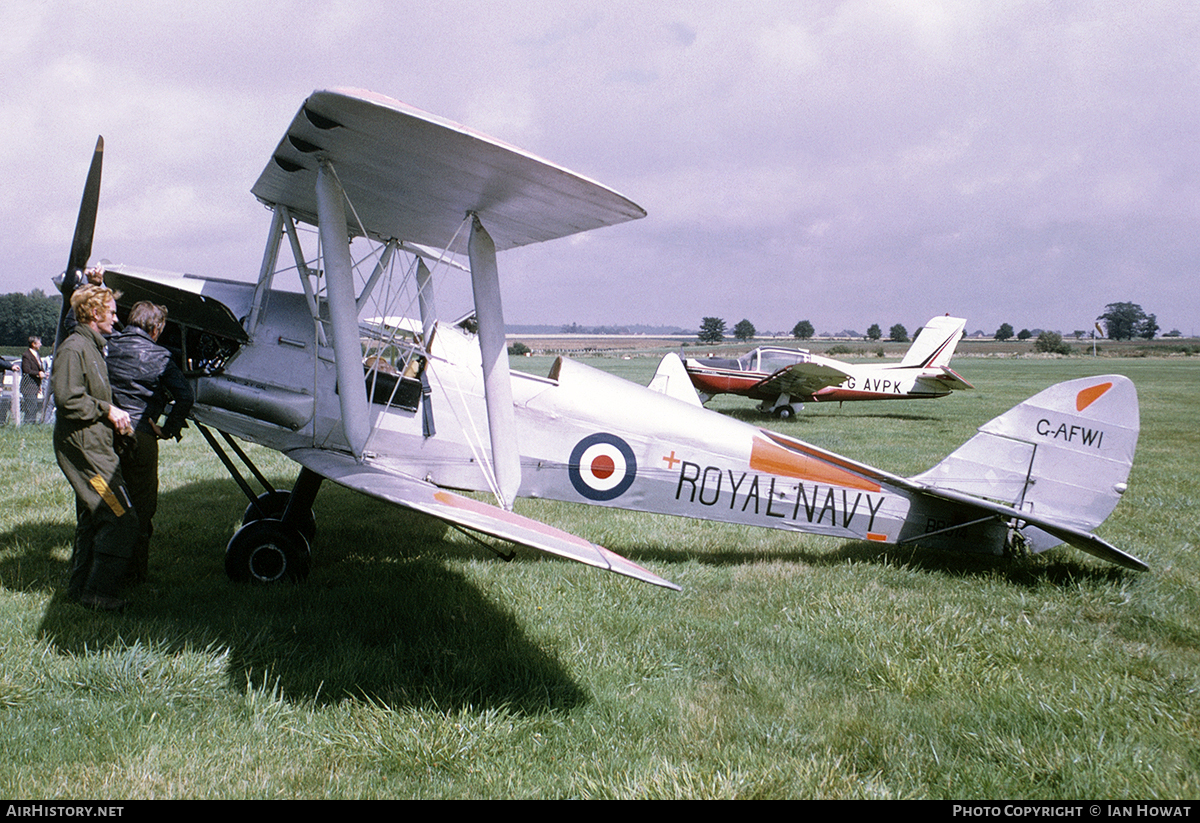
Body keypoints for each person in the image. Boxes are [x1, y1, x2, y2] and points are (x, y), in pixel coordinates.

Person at [52, 284, 138, 611]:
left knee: (92, 518)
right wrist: (107, 410)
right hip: (87, 452)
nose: (117, 320)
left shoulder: (91, 347)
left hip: (96, 446)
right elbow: (67, 399)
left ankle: (79, 590)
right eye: (112, 313)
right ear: (94, 314)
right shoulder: (75, 349)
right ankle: (99, 593)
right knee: (120, 515)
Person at [106, 302, 194, 585]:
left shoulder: (108, 344)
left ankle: (100, 569)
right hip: (141, 437)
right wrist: (168, 430)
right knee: (141, 509)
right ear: (156, 329)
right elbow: (185, 397)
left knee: (107, 499)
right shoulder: (160, 356)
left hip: (106, 437)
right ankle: (134, 575)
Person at [21, 336, 46, 424]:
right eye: (39, 343)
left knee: (33, 407)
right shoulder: (26, 355)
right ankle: (28, 424)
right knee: (31, 407)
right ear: (33, 344)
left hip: (35, 385)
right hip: (28, 386)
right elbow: (26, 370)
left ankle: (31, 424)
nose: (41, 344)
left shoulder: (36, 354)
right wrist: (38, 373)